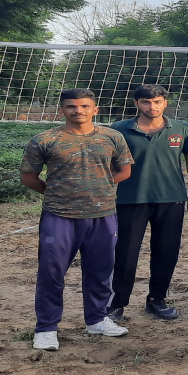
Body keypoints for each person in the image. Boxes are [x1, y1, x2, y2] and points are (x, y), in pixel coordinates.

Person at [20, 89, 134, 351]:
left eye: (84, 106)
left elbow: (125, 170)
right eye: (71, 106)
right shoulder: (44, 140)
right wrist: (59, 193)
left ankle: (97, 319)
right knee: (51, 272)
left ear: (95, 109)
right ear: (62, 110)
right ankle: (46, 328)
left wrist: (100, 188)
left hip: (102, 215)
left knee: (101, 270)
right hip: (59, 216)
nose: (78, 111)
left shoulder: (112, 137)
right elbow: (28, 178)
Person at [107, 84, 188, 322]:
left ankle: (157, 299)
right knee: (126, 253)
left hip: (171, 199)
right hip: (131, 199)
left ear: (165, 103)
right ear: (137, 103)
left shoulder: (181, 129)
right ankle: (117, 303)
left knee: (166, 251)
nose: (152, 106)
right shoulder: (119, 129)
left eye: (157, 101)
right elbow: (107, 162)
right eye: (146, 102)